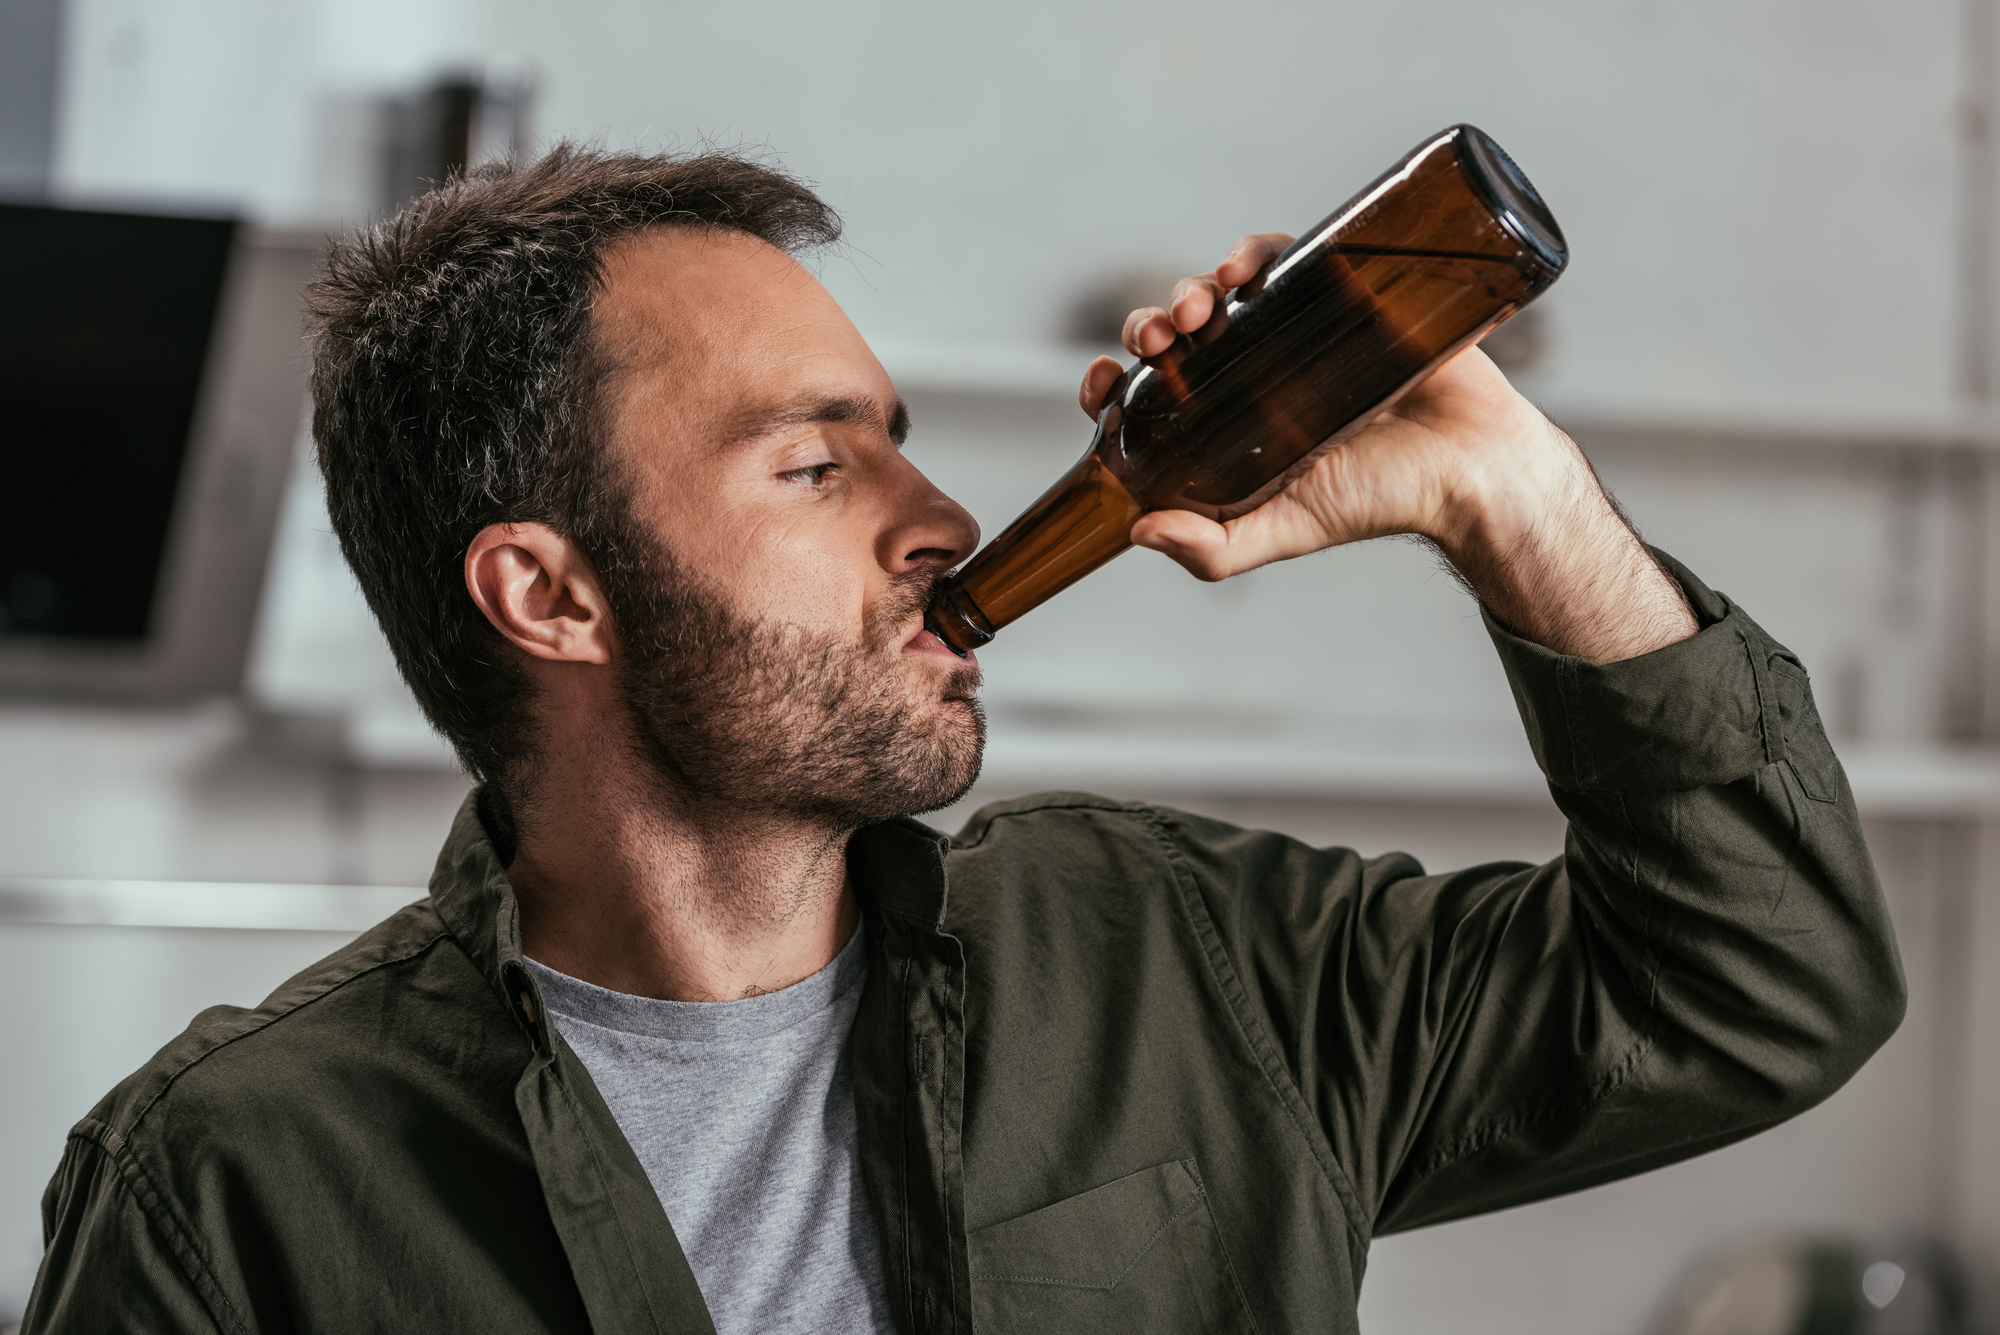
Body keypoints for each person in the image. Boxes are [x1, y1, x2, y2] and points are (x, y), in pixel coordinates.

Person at [23, 146, 1903, 1335]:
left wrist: (1515, 505)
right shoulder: (231, 1188)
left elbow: (1763, 988)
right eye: (816, 462)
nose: (939, 519)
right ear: (555, 598)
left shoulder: (1190, 963)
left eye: (901, 437)